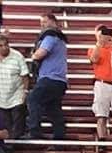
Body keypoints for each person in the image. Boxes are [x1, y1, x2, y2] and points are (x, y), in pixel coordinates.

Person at [27, 10, 70, 140]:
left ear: (54, 22)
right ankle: (59, 138)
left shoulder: (50, 37)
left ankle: (34, 131)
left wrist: (33, 55)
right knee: (53, 109)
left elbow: (40, 54)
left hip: (49, 78)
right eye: (41, 22)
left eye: (45, 22)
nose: (43, 25)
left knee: (33, 99)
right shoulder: (60, 39)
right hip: (59, 80)